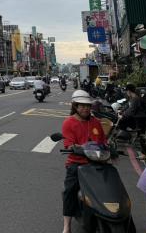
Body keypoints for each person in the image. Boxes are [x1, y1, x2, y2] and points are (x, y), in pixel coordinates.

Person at [61, 89, 107, 233]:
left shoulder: (95, 122)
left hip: (97, 162)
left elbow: (103, 142)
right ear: (75, 106)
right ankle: (66, 226)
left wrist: (110, 150)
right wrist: (77, 148)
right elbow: (69, 144)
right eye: (82, 106)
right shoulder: (68, 123)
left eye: (87, 105)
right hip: (77, 163)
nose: (86, 108)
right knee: (69, 191)